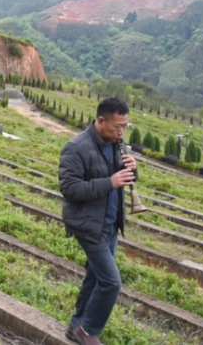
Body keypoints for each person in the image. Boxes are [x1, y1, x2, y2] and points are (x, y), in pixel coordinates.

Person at [58, 97, 137, 345]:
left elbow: (122, 178)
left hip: (110, 224)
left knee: (95, 277)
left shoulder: (116, 144)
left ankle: (75, 327)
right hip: (88, 225)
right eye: (117, 126)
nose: (121, 132)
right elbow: (70, 188)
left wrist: (133, 170)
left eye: (125, 126)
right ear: (100, 121)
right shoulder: (76, 147)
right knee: (111, 282)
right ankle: (87, 330)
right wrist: (109, 182)